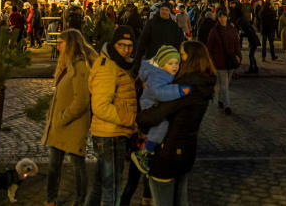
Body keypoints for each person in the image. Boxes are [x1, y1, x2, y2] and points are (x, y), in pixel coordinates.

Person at [135, 40, 216, 206]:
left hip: (168, 152)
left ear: (190, 59)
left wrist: (140, 118)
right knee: (181, 199)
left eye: (182, 54)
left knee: (163, 199)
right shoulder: (204, 83)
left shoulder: (186, 86)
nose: (179, 59)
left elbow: (158, 113)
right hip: (187, 150)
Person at [42, 29, 98, 206]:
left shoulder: (80, 67)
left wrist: (63, 117)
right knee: (54, 165)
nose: (58, 46)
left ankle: (80, 200)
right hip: (59, 123)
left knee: (77, 165)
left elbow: (81, 99)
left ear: (71, 44)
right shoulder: (66, 64)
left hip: (72, 124)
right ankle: (50, 199)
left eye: (61, 43)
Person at [86, 26, 138, 206]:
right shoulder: (107, 66)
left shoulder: (117, 64)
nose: (126, 49)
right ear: (113, 44)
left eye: (130, 45)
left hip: (111, 133)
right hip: (110, 134)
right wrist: (128, 119)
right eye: (122, 45)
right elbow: (100, 106)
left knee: (101, 184)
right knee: (113, 187)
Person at [131, 45, 191, 173]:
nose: (175, 66)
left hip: (154, 105)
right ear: (162, 64)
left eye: (177, 63)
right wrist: (179, 91)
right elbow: (161, 93)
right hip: (149, 104)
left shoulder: (165, 74)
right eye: (171, 63)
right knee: (162, 125)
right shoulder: (158, 77)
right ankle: (145, 152)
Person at [206, 8, 240, 116]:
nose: (222, 18)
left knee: (226, 84)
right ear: (218, 18)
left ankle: (220, 100)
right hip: (220, 62)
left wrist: (239, 56)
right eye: (220, 17)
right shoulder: (214, 31)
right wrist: (211, 61)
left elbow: (237, 43)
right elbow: (209, 47)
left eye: (224, 16)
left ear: (227, 17)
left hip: (231, 60)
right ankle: (227, 106)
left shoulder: (232, 29)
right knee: (224, 85)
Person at [133, 2, 185, 68]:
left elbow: (178, 42)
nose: (164, 12)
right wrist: (138, 60)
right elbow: (143, 41)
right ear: (159, 10)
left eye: (166, 10)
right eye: (162, 9)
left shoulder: (174, 26)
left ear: (169, 12)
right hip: (152, 59)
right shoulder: (151, 23)